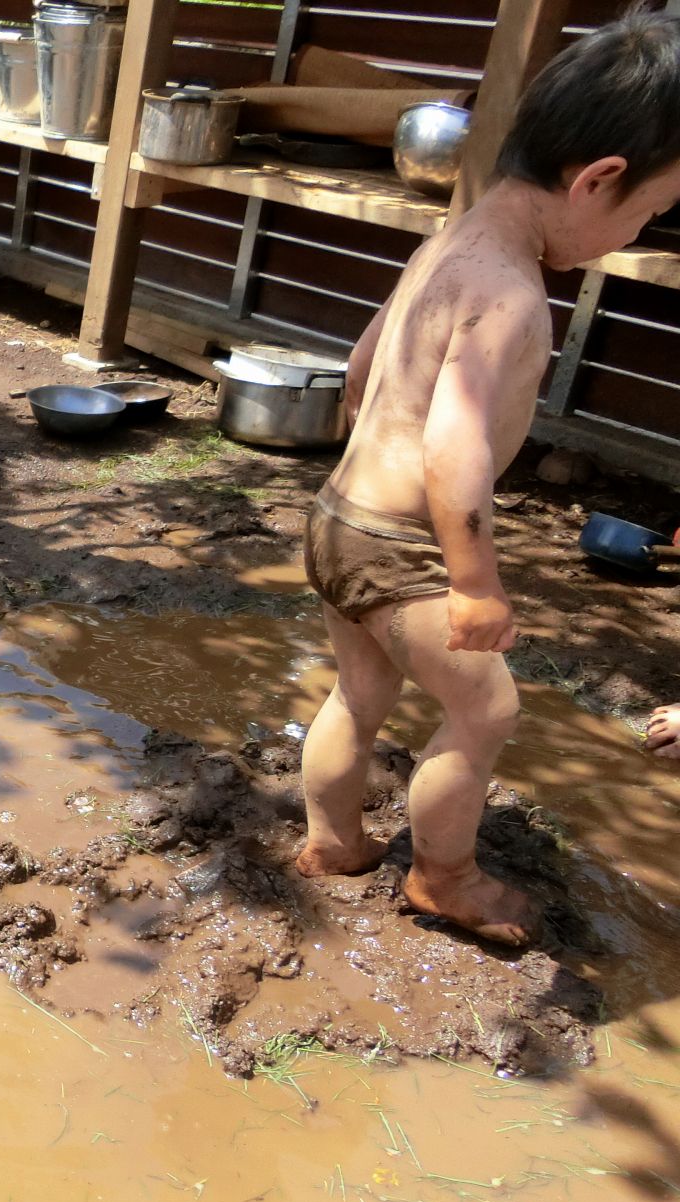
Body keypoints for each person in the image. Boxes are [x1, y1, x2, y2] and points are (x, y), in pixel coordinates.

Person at [294, 10, 680, 945]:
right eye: (647, 216)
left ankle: (333, 843)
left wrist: (364, 464)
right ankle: (444, 877)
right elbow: (453, 449)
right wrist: (473, 584)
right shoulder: (511, 295)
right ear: (598, 180)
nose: (637, 233)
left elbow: (362, 365)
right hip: (404, 546)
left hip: (342, 515)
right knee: (486, 705)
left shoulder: (450, 243)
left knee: (360, 692)